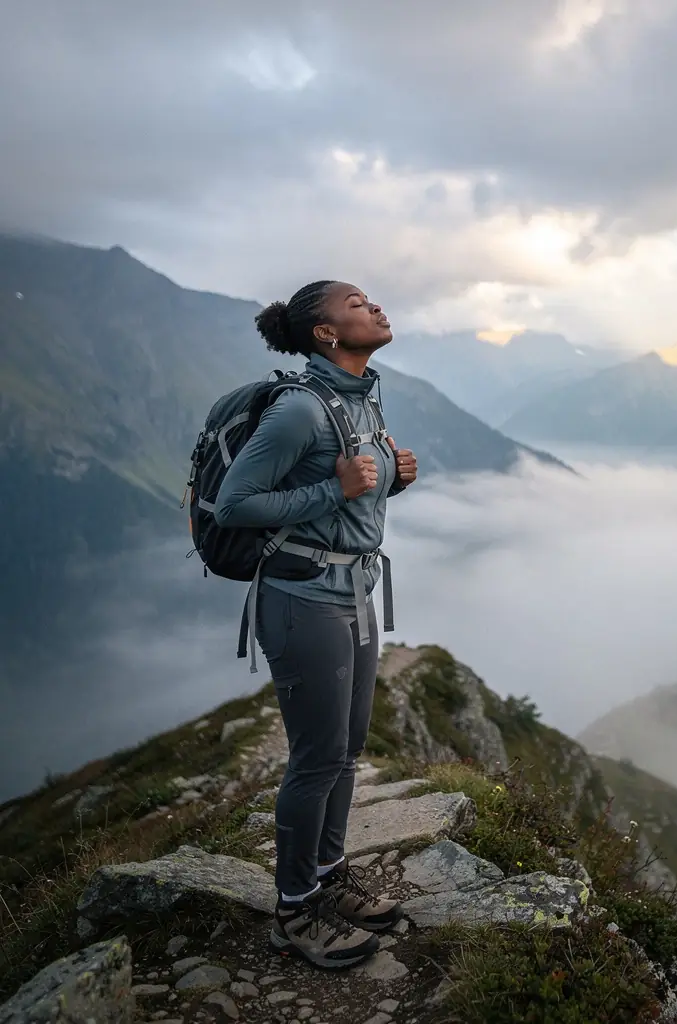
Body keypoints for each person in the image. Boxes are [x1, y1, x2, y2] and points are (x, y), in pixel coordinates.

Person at [214, 279, 417, 969]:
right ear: (326, 334)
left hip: (355, 588)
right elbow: (235, 504)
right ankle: (295, 911)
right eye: (358, 304)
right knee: (317, 758)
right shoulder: (300, 409)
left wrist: (394, 475)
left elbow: (358, 483)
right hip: (303, 596)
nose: (376, 307)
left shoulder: (364, 397)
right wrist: (340, 487)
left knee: (347, 748)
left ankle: (329, 880)